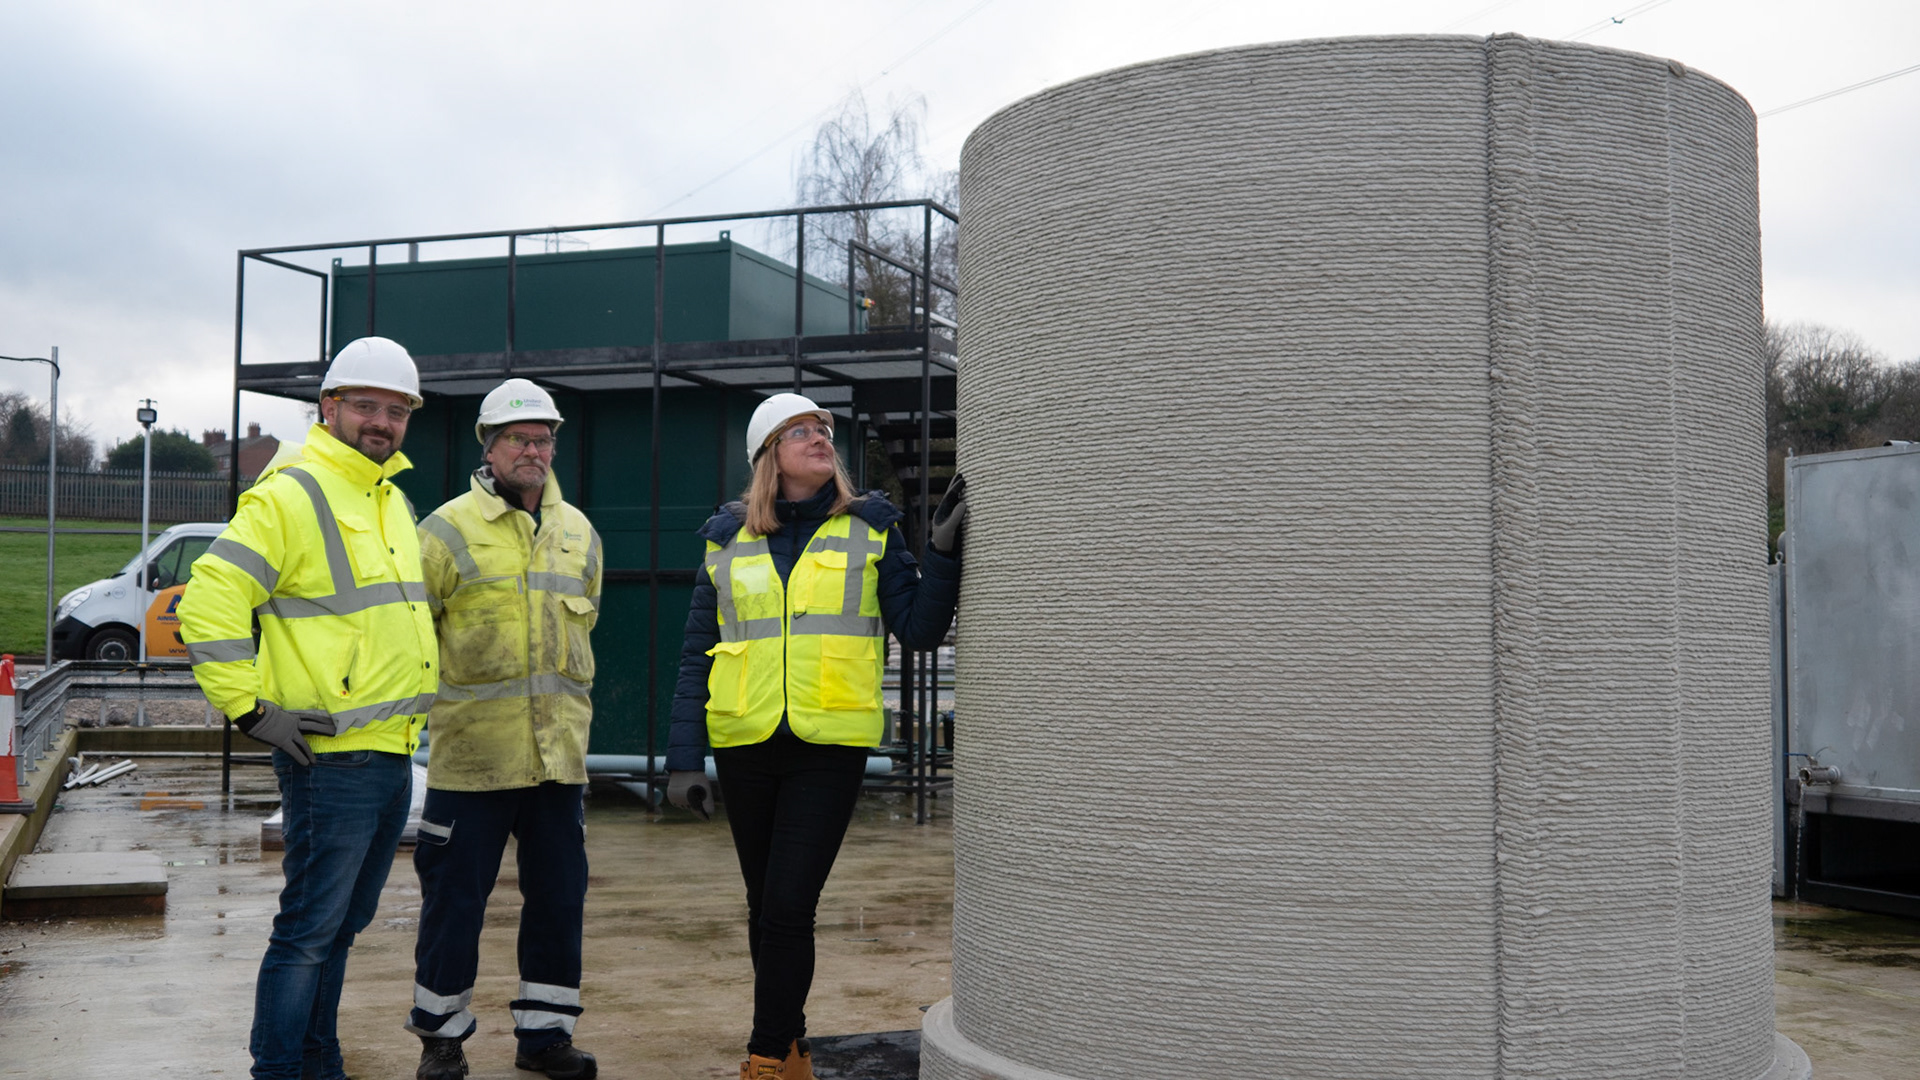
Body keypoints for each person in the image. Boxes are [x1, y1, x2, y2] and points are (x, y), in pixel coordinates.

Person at [667, 392, 967, 1080]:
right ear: (768, 455)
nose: (819, 438)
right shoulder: (725, 539)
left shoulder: (871, 528)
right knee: (764, 907)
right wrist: (684, 758)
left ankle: (765, 1057)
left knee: (788, 905)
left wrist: (943, 553)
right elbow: (695, 653)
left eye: (823, 429)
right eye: (800, 431)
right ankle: (794, 1049)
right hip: (743, 743)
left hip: (827, 747)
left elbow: (919, 630)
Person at [178, 336, 438, 1080]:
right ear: (329, 407)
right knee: (308, 931)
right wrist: (250, 709)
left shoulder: (389, 500)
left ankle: (320, 1062)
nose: (381, 422)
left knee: (342, 926)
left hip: (390, 752)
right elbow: (209, 600)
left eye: (396, 410)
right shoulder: (292, 493)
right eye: (365, 406)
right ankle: (280, 1069)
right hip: (329, 759)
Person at [404, 378, 604, 1080]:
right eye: (517, 438)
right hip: (471, 762)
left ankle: (545, 1037)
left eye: (543, 439)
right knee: (454, 906)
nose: (532, 450)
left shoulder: (578, 533)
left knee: (558, 903)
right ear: (487, 447)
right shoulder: (443, 532)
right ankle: (441, 1039)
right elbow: (414, 639)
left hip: (558, 763)